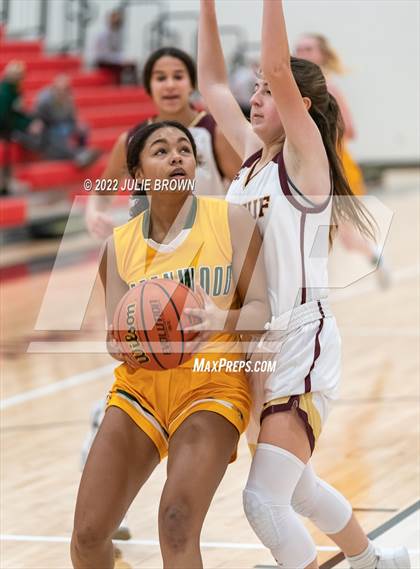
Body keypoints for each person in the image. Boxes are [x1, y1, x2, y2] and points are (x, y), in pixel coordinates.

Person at [198, 1, 409, 568]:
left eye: (267, 90)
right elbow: (213, 83)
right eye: (257, 90)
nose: (256, 97)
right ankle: (375, 562)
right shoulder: (250, 162)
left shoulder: (305, 156)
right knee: (296, 490)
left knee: (263, 501)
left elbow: (277, 65)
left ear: (300, 106)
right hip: (253, 347)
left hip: (300, 339)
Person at [71, 120, 269, 568]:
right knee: (87, 535)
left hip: (212, 385)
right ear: (138, 175)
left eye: (184, 149)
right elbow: (113, 337)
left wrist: (219, 318)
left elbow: (262, 312)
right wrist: (122, 343)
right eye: (161, 151)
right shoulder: (118, 246)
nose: (177, 156)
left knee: (176, 521)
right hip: (140, 389)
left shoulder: (231, 220)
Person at [85, 46, 242, 240]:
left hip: (208, 248)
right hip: (154, 255)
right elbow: (102, 191)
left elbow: (245, 192)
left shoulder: (214, 132)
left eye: (178, 77)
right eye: (160, 78)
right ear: (149, 87)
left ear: (192, 84)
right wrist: (95, 214)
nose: (169, 85)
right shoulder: (132, 139)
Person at [295, 33, 390, 288]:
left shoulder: (330, 88)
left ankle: (375, 255)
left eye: (309, 48)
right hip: (310, 168)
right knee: (313, 228)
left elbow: (351, 130)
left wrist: (322, 130)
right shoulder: (294, 90)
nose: (302, 52)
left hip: (337, 166)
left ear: (322, 54)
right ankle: (311, 283)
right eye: (299, 48)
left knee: (341, 235)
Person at [34, 74, 100, 168]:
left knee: (83, 128)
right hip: (50, 127)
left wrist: (77, 125)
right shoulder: (45, 99)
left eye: (65, 89)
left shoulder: (68, 99)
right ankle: (78, 155)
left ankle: (82, 150)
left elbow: (71, 117)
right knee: (61, 131)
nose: (63, 92)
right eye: (60, 89)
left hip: (65, 123)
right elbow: (38, 116)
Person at [92, 8, 137, 85]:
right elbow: (103, 55)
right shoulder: (102, 34)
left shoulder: (118, 33)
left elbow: (118, 50)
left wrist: (124, 59)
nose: (117, 21)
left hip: (113, 59)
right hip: (103, 61)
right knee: (122, 67)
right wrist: (120, 60)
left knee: (132, 65)